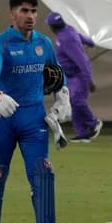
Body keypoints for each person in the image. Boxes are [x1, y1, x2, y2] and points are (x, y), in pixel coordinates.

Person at [0, 0, 70, 223]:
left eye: (33, 11)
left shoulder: (44, 43)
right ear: (12, 13)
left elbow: (57, 76)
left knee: (43, 171)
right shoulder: (1, 43)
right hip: (5, 117)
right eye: (24, 11)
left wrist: (63, 99)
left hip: (34, 117)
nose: (30, 16)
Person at [46, 11, 102, 142]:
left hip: (78, 74)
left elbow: (81, 60)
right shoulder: (67, 30)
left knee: (77, 101)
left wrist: (89, 80)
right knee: (72, 101)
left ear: (53, 27)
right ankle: (82, 132)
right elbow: (80, 37)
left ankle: (93, 123)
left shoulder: (66, 39)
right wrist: (90, 42)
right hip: (70, 75)